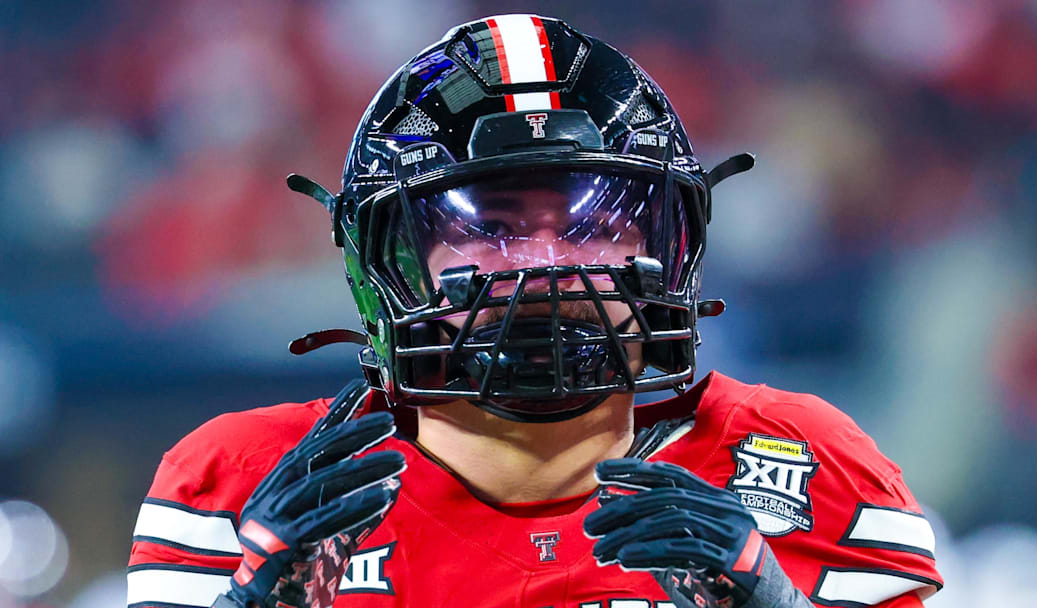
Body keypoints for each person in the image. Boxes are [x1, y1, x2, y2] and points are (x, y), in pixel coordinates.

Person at [127, 14, 942, 608]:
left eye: (597, 223)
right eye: (492, 227)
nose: (550, 265)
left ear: (673, 243)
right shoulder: (241, 481)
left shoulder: (805, 463)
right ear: (393, 261)